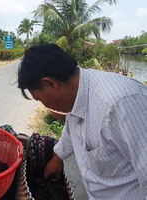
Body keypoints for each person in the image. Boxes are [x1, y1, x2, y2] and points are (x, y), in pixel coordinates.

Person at [17, 43, 147, 199]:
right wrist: (57, 158)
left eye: (39, 98)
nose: (42, 104)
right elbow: (71, 131)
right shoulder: (76, 95)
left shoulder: (121, 104)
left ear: (50, 83)